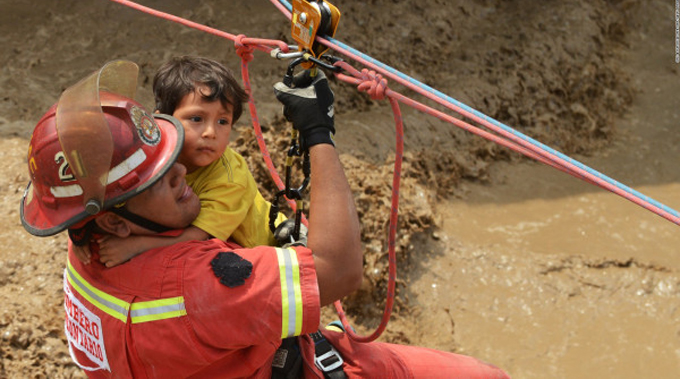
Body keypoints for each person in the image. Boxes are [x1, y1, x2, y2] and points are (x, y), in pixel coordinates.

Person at [20, 60, 509, 378]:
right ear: (116, 223)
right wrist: (318, 133)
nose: (180, 173)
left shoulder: (86, 241)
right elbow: (340, 269)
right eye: (160, 179)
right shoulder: (200, 283)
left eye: (170, 158)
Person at [73, 56, 288, 267]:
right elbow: (111, 180)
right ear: (162, 120)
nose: (211, 132)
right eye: (197, 119)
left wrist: (135, 245)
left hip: (266, 245)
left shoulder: (229, 178)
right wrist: (81, 230)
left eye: (223, 121)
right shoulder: (152, 148)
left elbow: (198, 236)